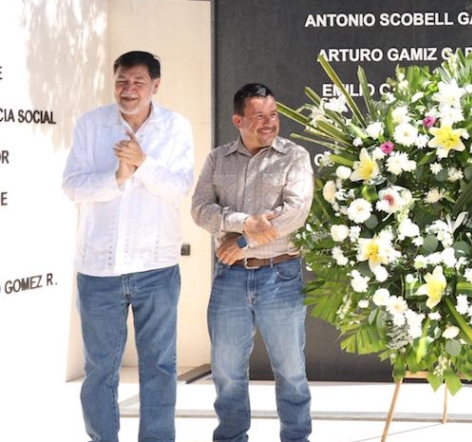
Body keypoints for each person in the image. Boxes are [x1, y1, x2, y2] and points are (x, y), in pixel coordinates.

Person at [62, 50, 195, 442]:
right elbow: (72, 184)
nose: (129, 89)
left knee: (159, 366)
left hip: (156, 267)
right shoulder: (91, 125)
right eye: (122, 80)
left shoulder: (176, 127)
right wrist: (117, 176)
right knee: (100, 369)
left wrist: (144, 163)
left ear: (156, 85)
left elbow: (180, 188)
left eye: (138, 82)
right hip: (98, 270)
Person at [191, 83, 314, 442]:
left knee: (291, 370)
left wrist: (242, 242)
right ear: (238, 120)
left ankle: (296, 438)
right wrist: (243, 222)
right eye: (259, 116)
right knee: (227, 371)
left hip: (281, 273)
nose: (269, 122)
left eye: (273, 114)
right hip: (229, 278)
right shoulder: (217, 159)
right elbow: (200, 209)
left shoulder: (294, 156)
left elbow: (294, 214)